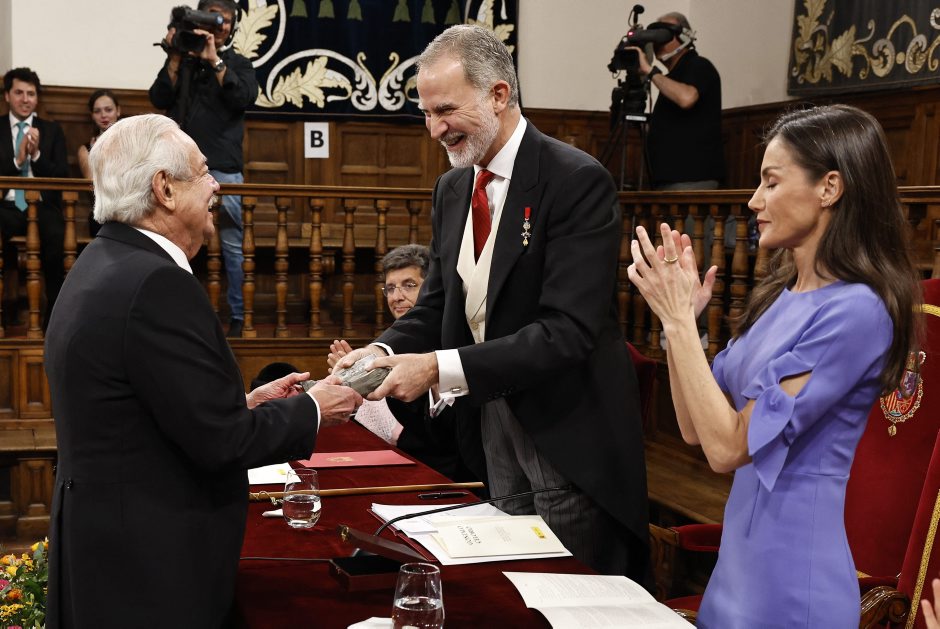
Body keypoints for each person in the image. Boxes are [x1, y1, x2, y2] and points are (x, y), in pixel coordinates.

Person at [334, 25, 649, 578]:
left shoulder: (575, 180)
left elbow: (568, 330)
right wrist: (379, 354)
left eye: (446, 110)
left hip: (565, 428)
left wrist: (436, 368)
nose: (435, 129)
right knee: (511, 581)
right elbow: (437, 306)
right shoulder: (453, 188)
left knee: (567, 588)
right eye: (426, 113)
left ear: (499, 95)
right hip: (489, 422)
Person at [43, 113, 362, 626]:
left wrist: (244, 405)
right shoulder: (155, 283)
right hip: (148, 566)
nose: (216, 185)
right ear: (165, 189)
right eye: (204, 171)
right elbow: (223, 443)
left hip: (107, 545)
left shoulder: (101, 261)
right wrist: (315, 407)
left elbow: (146, 412)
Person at [628, 104, 920, 627]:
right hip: (736, 574)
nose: (754, 200)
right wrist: (682, 324)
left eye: (771, 182)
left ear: (829, 187)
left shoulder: (857, 311)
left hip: (793, 583)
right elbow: (697, 429)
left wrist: (676, 323)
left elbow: (729, 449)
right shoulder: (779, 296)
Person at [149, 0, 257, 338]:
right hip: (180, 167)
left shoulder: (237, 62)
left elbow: (243, 97)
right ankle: (177, 315)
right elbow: (159, 97)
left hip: (224, 168)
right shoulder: (185, 61)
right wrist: (175, 56)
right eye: (211, 19)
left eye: (223, 21)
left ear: (232, 27)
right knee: (174, 239)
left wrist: (215, 60)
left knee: (233, 246)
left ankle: (238, 317)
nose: (217, 27)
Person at [328, 244, 478, 481]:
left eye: (409, 285)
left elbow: (443, 441)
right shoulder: (386, 346)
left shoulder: (458, 338)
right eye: (390, 288)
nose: (396, 297)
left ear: (432, 289)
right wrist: (357, 380)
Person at [0, 67, 68, 322]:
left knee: (57, 234)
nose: (25, 99)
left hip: (42, 206)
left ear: (37, 98)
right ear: (7, 96)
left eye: (31, 94)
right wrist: (17, 161)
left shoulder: (52, 130)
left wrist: (37, 155)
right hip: (6, 206)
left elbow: (62, 176)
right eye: (19, 93)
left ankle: (54, 316)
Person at [632, 11, 724, 190]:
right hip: (668, 179)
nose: (658, 42)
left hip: (691, 179)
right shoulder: (670, 78)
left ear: (684, 36)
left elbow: (686, 98)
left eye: (663, 34)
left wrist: (650, 71)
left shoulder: (700, 65)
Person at [77, 88, 121, 237]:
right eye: (97, 111)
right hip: (103, 211)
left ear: (118, 111)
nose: (103, 115)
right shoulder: (86, 149)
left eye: (108, 110)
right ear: (92, 115)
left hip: (129, 208)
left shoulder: (131, 143)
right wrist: (98, 157)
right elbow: (93, 186)